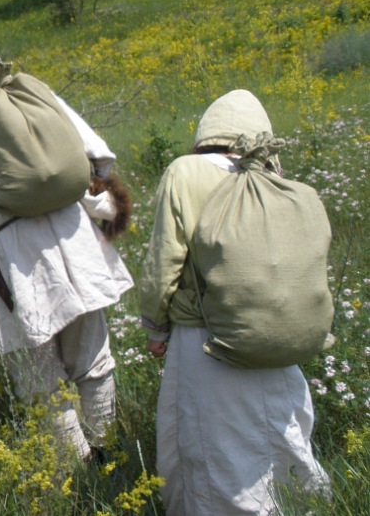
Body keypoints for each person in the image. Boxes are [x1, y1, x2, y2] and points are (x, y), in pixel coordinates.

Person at [0, 41, 133, 461]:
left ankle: (81, 470)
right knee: (93, 359)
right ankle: (111, 455)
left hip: (14, 255)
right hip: (75, 238)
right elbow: (97, 155)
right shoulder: (27, 90)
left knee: (39, 376)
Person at [139, 89, 330, 515]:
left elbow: (165, 258)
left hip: (206, 340)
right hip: (278, 336)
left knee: (214, 446)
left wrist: (155, 326)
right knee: (281, 434)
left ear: (208, 132)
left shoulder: (185, 172)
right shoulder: (278, 180)